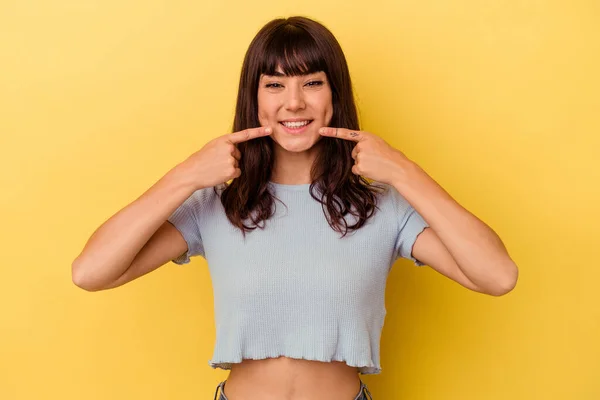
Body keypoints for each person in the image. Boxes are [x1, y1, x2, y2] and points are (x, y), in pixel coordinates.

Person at [72, 16, 518, 400]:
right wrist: (185, 175)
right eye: (275, 84)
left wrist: (403, 171)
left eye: (312, 82)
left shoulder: (379, 206)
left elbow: (497, 276)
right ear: (256, 99)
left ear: (334, 94)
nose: (294, 102)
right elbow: (91, 272)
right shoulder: (219, 204)